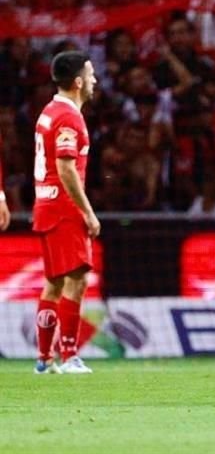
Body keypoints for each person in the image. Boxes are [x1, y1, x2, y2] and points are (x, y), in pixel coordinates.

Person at [32, 51, 100, 374]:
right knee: (78, 278)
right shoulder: (69, 117)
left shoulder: (48, 111)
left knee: (54, 282)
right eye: (90, 74)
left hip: (45, 204)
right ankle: (69, 356)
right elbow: (65, 167)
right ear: (77, 82)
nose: (94, 80)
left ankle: (44, 360)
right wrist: (87, 211)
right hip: (63, 208)